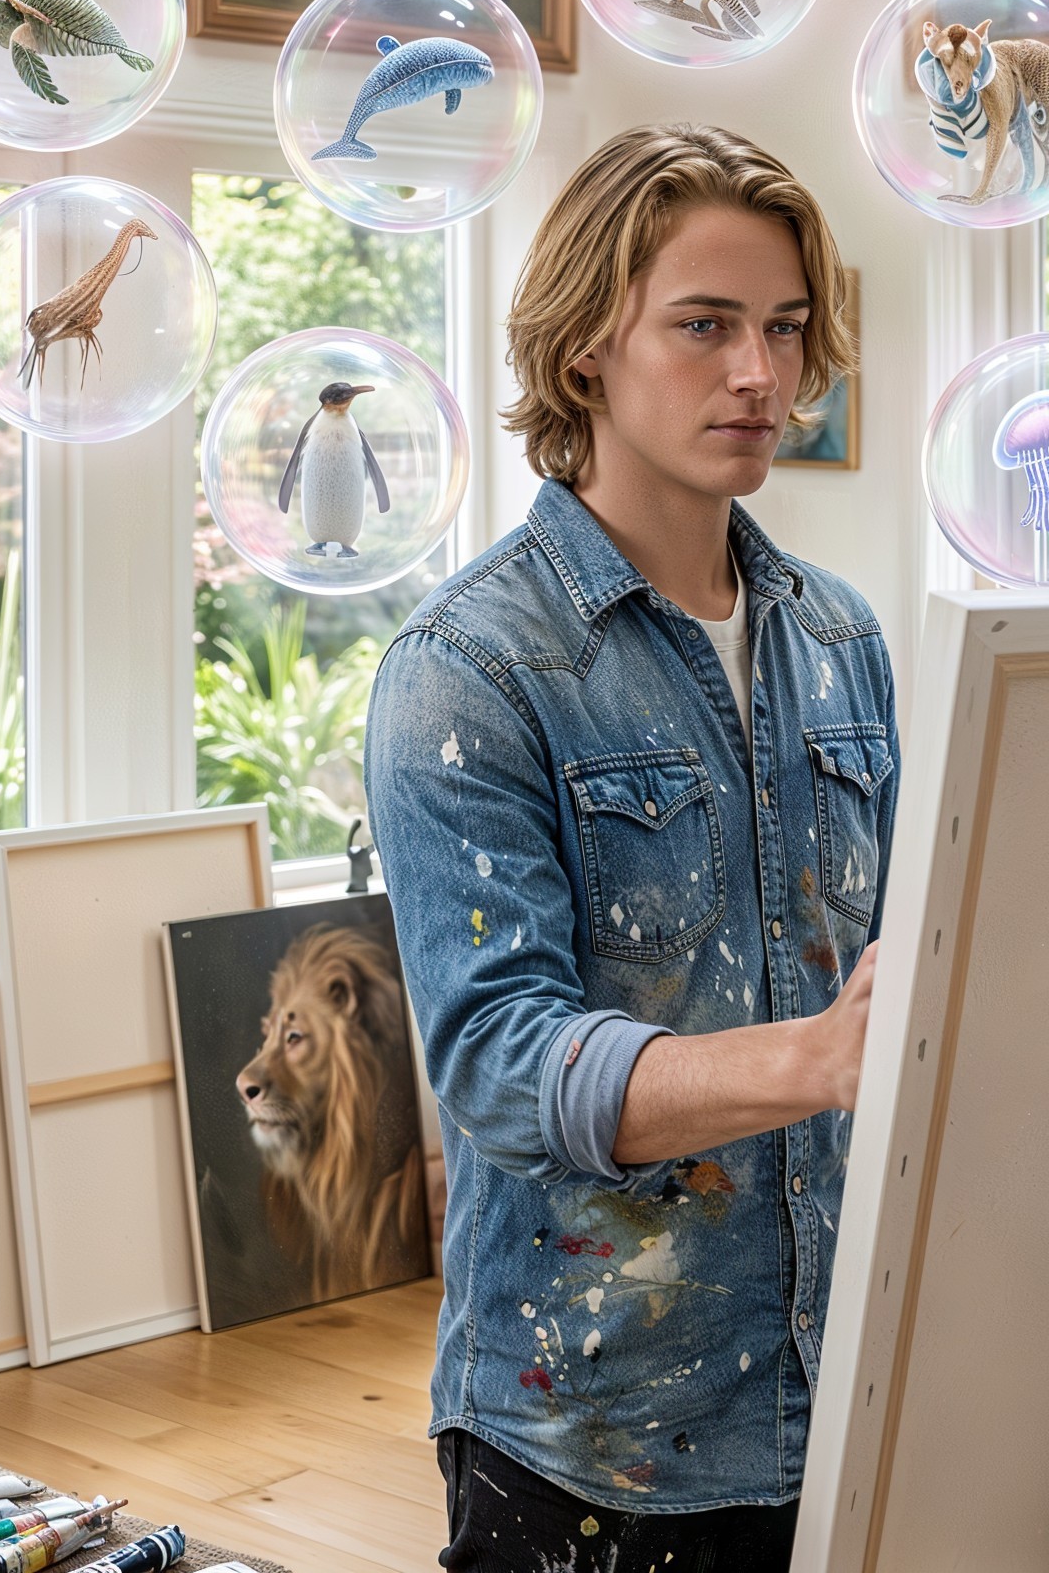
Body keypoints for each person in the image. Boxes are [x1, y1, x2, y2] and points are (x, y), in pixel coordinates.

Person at [368, 122, 893, 1570]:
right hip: (592, 1438)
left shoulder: (845, 641)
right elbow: (496, 1064)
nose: (760, 376)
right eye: (706, 326)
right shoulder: (468, 666)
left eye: (784, 330)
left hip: (843, 1398)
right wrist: (817, 1061)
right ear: (589, 344)